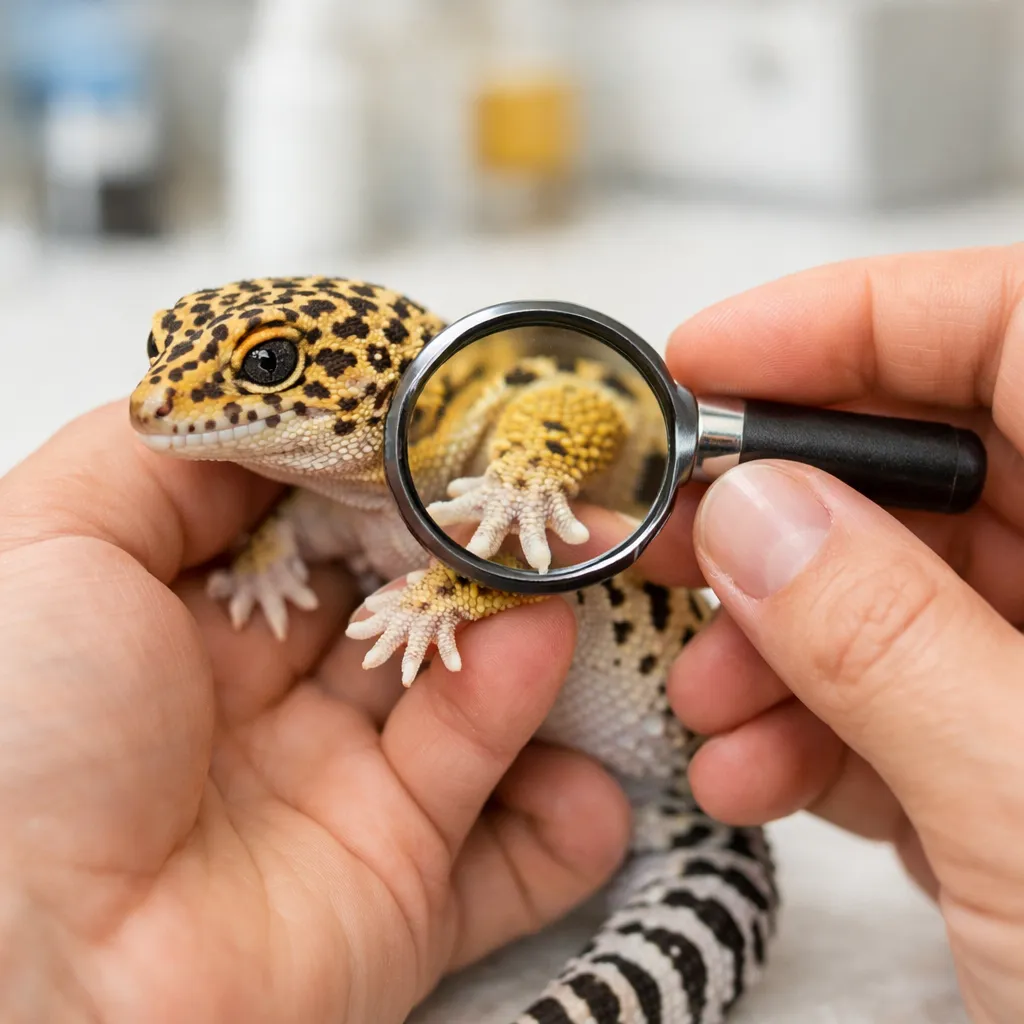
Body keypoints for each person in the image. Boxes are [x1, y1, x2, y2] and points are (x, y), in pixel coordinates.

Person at [0, 247, 1020, 1023]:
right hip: (530, 777)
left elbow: (569, 431)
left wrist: (477, 560)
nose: (164, 398)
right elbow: (310, 518)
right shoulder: (325, 494)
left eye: (263, 369)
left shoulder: (474, 435)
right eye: (162, 354)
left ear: (381, 387)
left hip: (679, 776)